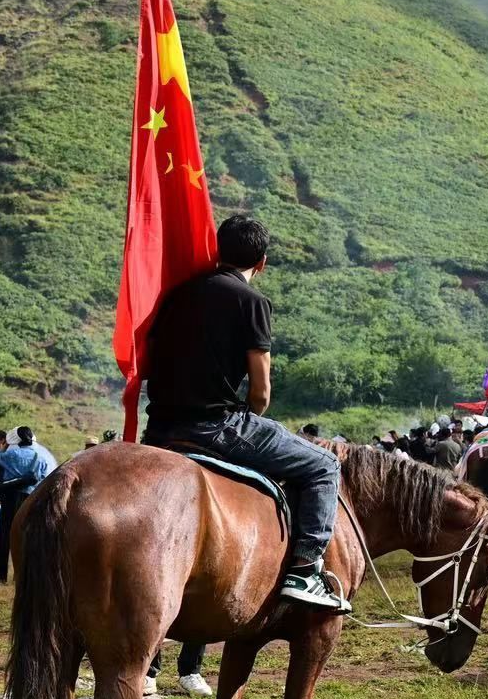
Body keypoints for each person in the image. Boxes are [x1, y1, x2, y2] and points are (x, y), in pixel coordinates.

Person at [141, 214, 347, 611]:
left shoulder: (177, 293)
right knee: (324, 466)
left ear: (219, 250)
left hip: (161, 427)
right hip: (216, 425)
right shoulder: (253, 302)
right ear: (262, 262)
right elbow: (261, 391)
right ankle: (305, 570)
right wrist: (254, 411)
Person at [0, 426, 56, 585]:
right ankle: (24, 575)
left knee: (5, 535)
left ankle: (0, 577)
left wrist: (4, 447)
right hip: (31, 498)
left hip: (11, 496)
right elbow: (44, 477)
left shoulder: (10, 454)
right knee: (27, 536)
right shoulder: (40, 455)